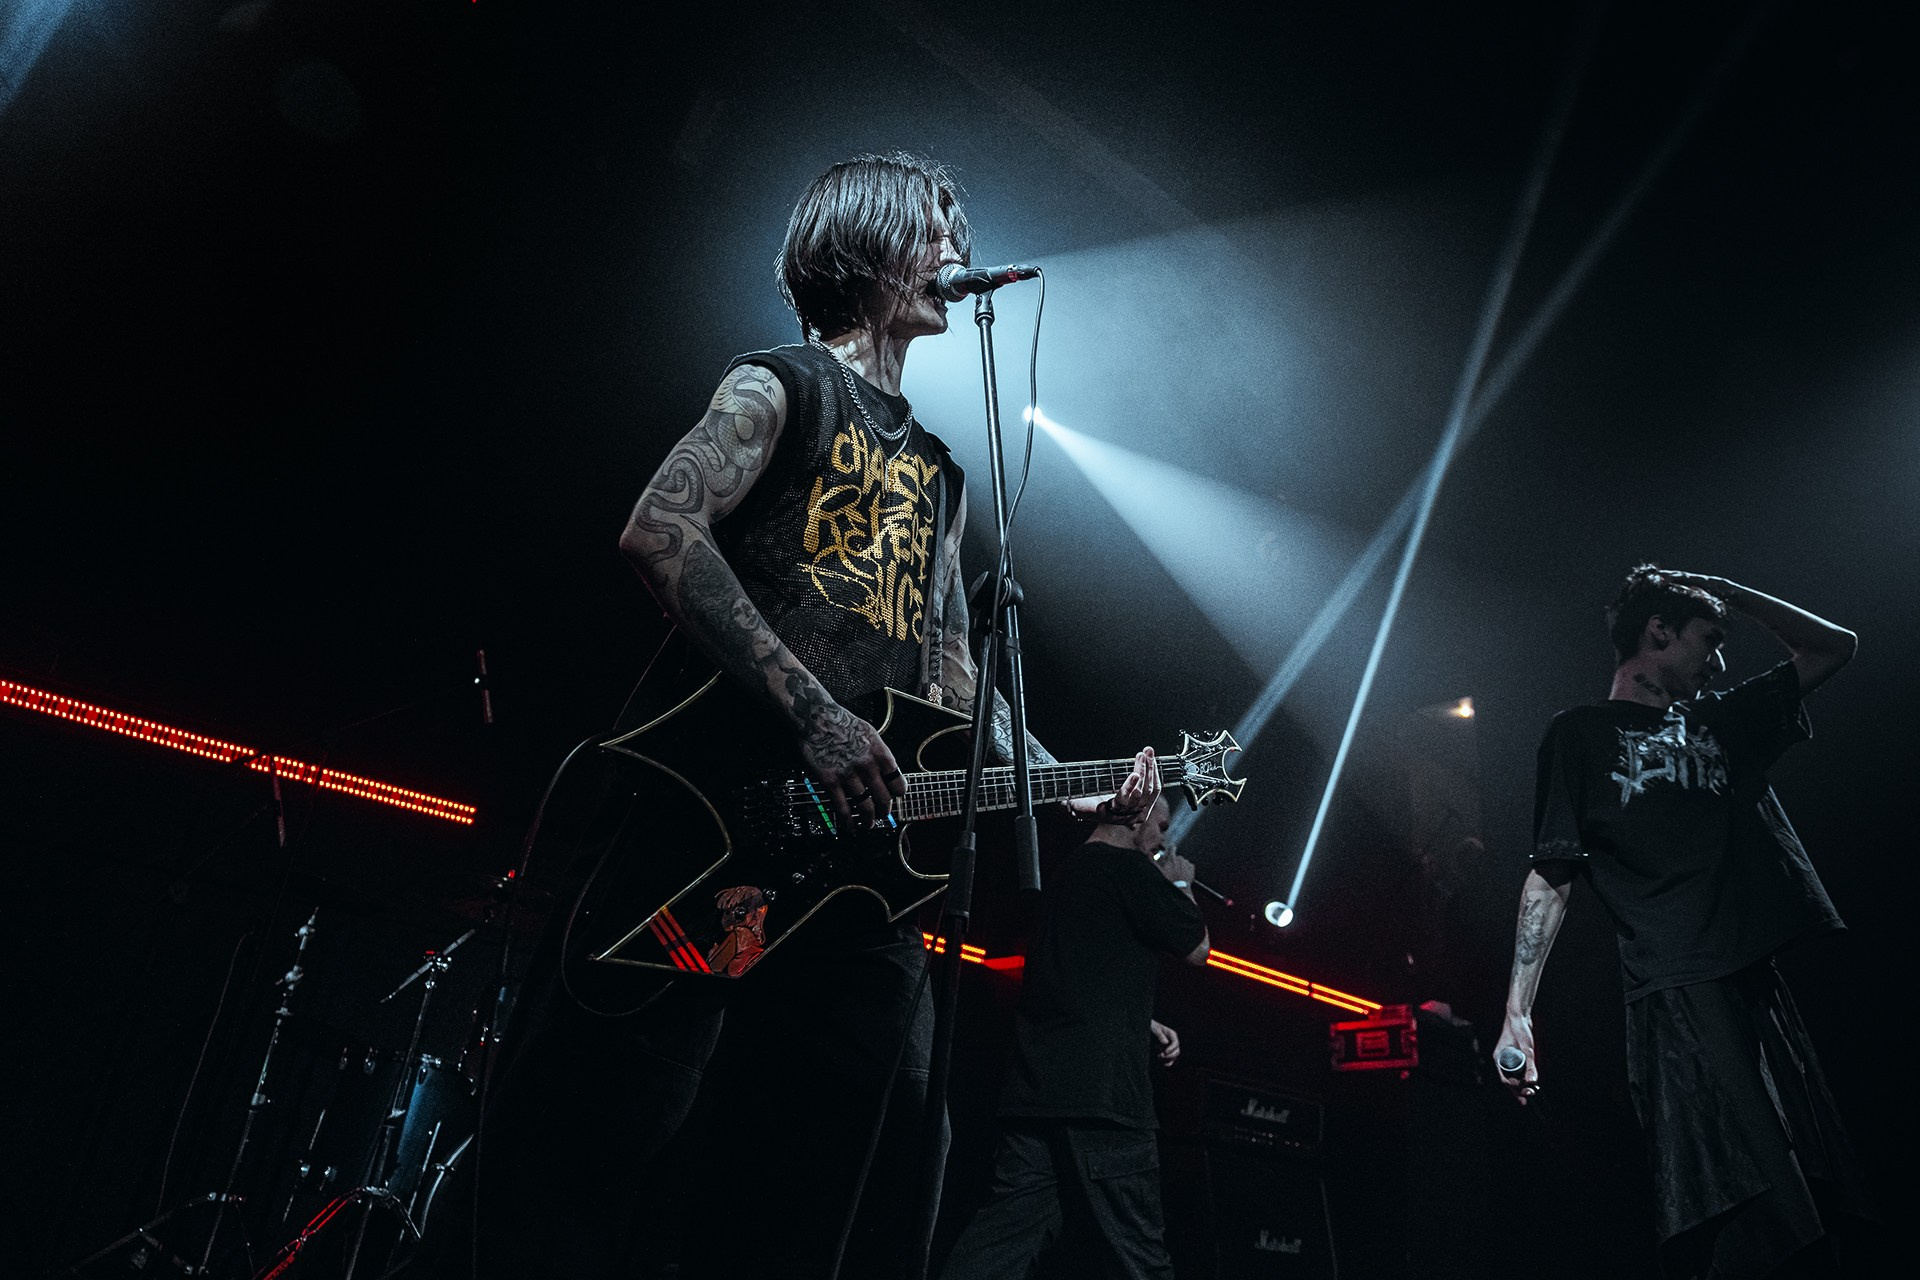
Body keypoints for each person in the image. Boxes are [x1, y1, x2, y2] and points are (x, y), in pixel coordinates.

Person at [422, 153, 1159, 1280]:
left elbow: (954, 677)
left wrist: (1072, 779)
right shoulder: (778, 386)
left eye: (959, 234)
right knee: (606, 1120)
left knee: (888, 1147)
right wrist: (813, 712)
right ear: (863, 243)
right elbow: (660, 528)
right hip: (716, 829)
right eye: (933, 230)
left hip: (851, 870)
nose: (956, 254)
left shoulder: (943, 476)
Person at [1495, 565, 1876, 1278]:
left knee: (1816, 1201)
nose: (1720, 660)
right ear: (1659, 631)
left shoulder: (1719, 721)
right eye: (1710, 638)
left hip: (1757, 990)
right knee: (1751, 1215)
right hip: (1678, 991)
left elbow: (1835, 646)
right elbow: (1552, 874)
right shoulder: (1579, 735)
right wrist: (1517, 1013)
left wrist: (1726, 592)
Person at [939, 795, 1209, 1280]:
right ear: (1138, 814)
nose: (1163, 840)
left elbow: (1070, 976)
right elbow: (1197, 948)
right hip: (1102, 1100)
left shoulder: (1066, 871)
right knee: (1140, 1257)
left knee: (997, 1250)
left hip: (1036, 1092)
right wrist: (1180, 880)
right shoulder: (1130, 869)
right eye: (1162, 825)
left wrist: (1141, 1022)